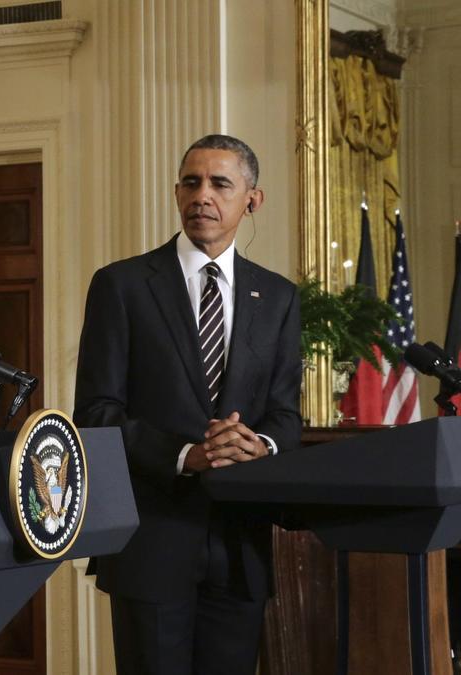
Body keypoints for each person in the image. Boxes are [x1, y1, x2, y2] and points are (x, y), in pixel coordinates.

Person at [73, 134, 301, 675]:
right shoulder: (122, 286)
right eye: (191, 182)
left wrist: (258, 444)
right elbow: (96, 413)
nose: (203, 195)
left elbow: (286, 416)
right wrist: (185, 455)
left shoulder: (278, 297)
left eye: (220, 184)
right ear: (177, 193)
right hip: (152, 543)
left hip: (239, 546)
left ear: (252, 199)